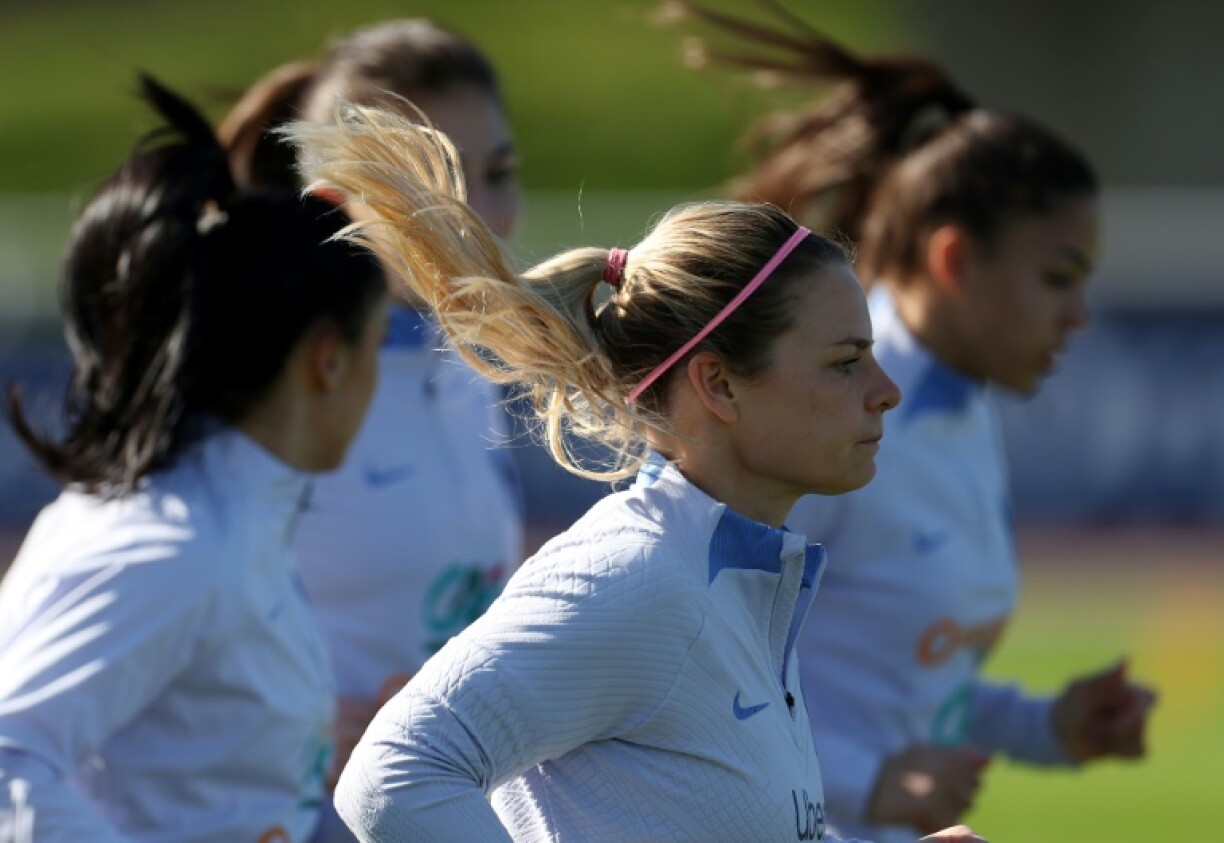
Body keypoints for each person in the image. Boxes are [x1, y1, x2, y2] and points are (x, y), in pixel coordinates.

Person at [281, 99, 990, 843]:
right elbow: (393, 773)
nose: (887, 390)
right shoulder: (635, 575)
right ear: (719, 385)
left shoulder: (733, 574)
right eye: (845, 362)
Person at [666, 4, 1158, 841]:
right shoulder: (829, 405)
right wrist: (867, 780)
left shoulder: (956, 404)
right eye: (1057, 276)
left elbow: (901, 680)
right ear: (954, 259)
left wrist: (1049, 726)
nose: (1079, 313)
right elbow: (679, 656)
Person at [0, 77, 387, 842]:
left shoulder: (223, 518)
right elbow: (9, 759)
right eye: (377, 347)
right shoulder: (175, 545)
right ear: (328, 362)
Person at [217, 21, 525, 811]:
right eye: (443, 185)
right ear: (333, 207)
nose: (488, 216)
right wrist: (294, 724)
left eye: (499, 172)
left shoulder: (467, 364)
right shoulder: (253, 400)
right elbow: (142, 629)